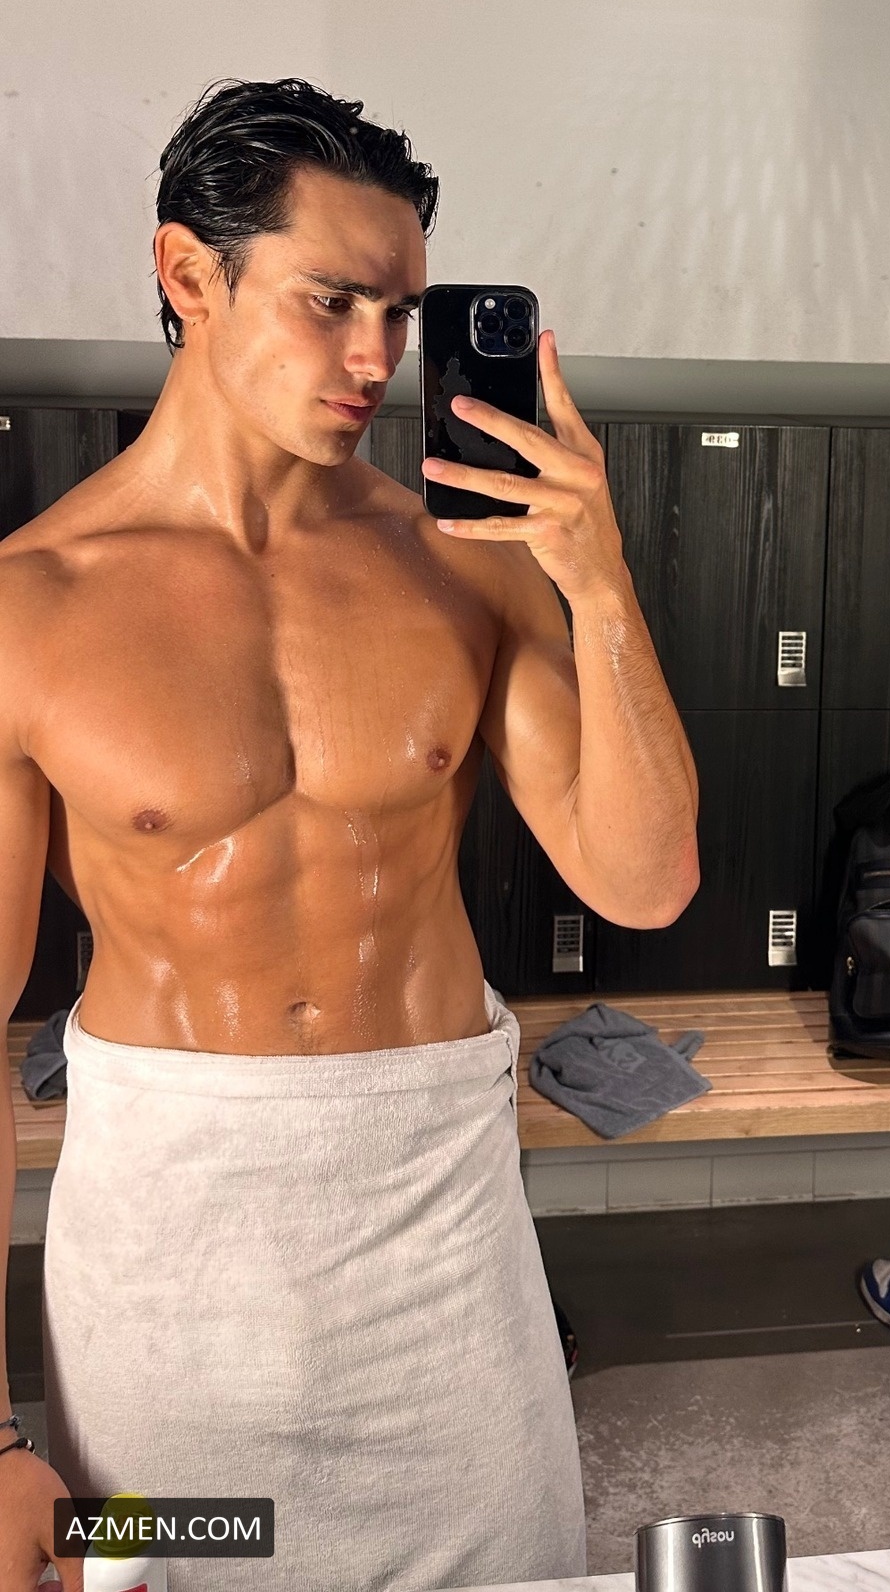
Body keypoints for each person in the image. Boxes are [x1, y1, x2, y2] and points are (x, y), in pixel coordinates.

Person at [0, 78, 700, 1592]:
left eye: (401, 311)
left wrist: (597, 578)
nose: (378, 358)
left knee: (515, 1569)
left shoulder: (470, 563)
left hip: (440, 1240)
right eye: (332, 302)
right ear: (190, 276)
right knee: (170, 1569)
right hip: (163, 1264)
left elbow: (645, 881)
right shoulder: (30, 608)